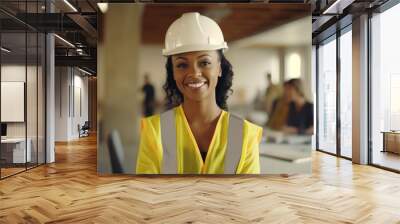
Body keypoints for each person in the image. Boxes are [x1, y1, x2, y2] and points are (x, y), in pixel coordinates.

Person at [136, 12, 262, 174]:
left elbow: (248, 196)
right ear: (173, 73)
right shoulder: (154, 131)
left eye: (204, 62)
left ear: (219, 68)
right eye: (182, 65)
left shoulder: (246, 134)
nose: (194, 73)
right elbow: (145, 194)